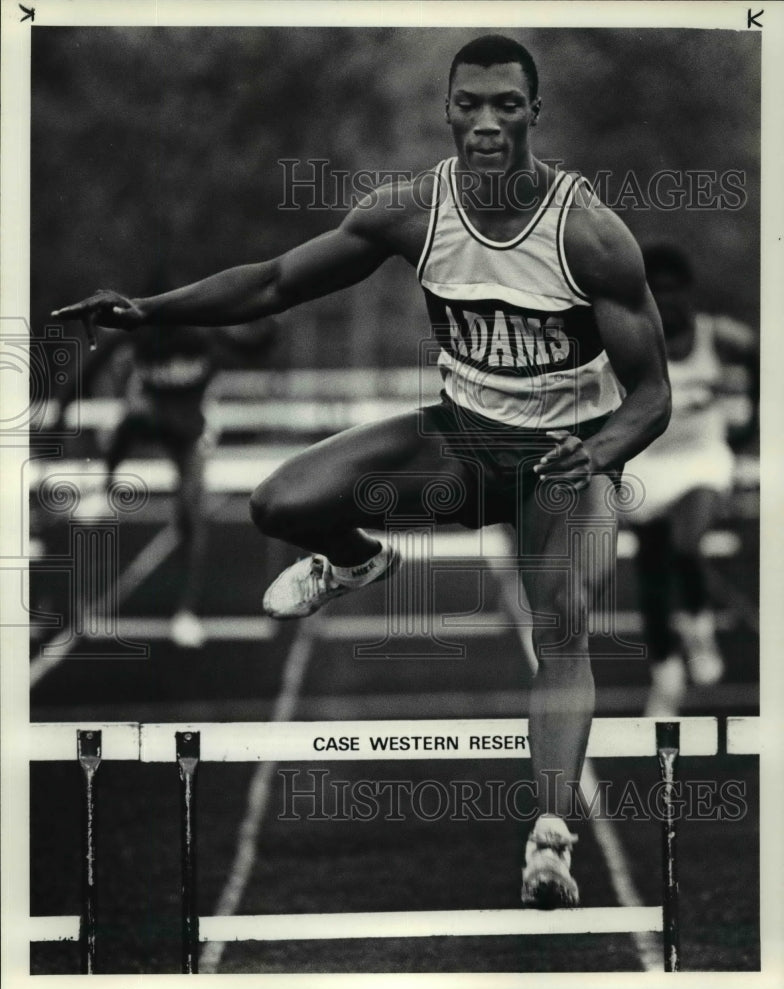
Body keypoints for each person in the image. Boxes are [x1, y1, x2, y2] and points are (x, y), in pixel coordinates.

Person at [53, 35, 670, 908]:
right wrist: (148, 312)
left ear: (536, 111)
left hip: (562, 464)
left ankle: (549, 841)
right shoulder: (414, 212)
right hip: (462, 443)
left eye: (506, 104)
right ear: (448, 110)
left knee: (563, 623)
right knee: (278, 503)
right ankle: (355, 560)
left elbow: (652, 397)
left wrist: (601, 453)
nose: (486, 121)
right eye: (469, 103)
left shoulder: (590, 234)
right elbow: (272, 284)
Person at [51, 320, 277, 648]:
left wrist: (272, 327)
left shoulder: (204, 332)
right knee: (131, 422)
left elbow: (252, 348)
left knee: (190, 514)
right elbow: (88, 370)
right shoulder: (139, 332)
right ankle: (106, 486)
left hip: (189, 427)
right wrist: (60, 414)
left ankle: (186, 612)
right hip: (151, 415)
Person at [623, 244, 757, 717]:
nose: (667, 303)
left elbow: (763, 352)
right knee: (653, 582)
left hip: (703, 461)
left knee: (686, 542)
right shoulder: (630, 338)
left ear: (689, 293)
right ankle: (666, 681)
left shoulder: (716, 336)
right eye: (655, 293)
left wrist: (753, 424)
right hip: (647, 466)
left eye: (674, 292)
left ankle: (699, 631)